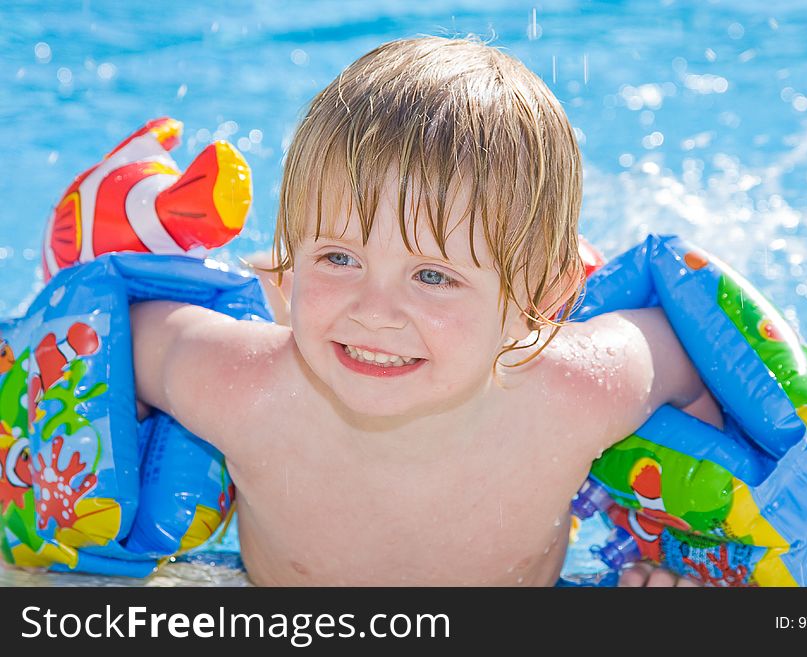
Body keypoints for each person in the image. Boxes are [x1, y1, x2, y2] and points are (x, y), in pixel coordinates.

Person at [130, 36, 722, 586]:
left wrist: (664, 546)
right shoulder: (243, 389)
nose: (374, 312)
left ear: (540, 302)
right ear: (295, 264)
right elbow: (137, 335)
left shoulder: (575, 392)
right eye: (338, 258)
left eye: (433, 276)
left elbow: (690, 357)